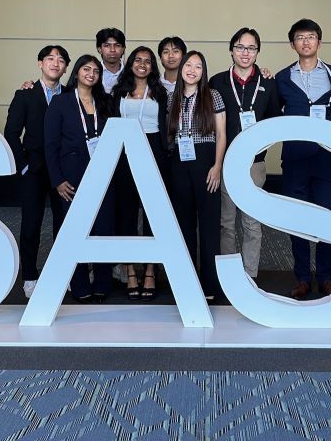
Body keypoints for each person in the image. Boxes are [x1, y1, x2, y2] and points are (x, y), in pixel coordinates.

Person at [275, 19, 331, 300]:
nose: (305, 42)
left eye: (311, 37)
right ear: (292, 44)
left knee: (328, 217)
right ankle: (303, 278)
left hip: (327, 158)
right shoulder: (280, 78)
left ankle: (327, 276)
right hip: (294, 158)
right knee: (298, 220)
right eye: (300, 38)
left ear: (319, 41)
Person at [44, 54, 118, 303]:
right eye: (86, 69)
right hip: (71, 178)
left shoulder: (106, 102)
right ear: (76, 73)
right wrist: (57, 180)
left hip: (103, 174)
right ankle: (79, 284)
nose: (91, 74)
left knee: (103, 230)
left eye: (96, 71)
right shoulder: (61, 103)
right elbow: (50, 145)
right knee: (74, 230)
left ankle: (102, 283)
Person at [209, 28, 280, 279]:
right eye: (240, 47)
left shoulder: (269, 82)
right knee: (226, 222)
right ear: (231, 50)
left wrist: (260, 151)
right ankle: (229, 275)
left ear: (257, 52)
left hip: (254, 165)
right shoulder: (216, 82)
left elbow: (273, 122)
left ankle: (250, 274)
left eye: (251, 48)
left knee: (251, 223)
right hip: (226, 162)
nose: (245, 53)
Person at [4, 45, 69, 299]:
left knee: (64, 224)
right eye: (50, 59)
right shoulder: (25, 94)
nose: (55, 63)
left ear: (65, 67)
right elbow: (11, 133)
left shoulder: (71, 94)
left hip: (63, 171)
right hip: (35, 170)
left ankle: (64, 274)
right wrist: (24, 165)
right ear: (40, 63)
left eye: (61, 60)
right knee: (31, 224)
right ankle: (30, 276)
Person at [111, 46, 170, 300]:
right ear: (131, 64)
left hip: (153, 153)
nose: (142, 64)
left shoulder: (160, 93)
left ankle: (149, 271)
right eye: (138, 60)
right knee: (126, 214)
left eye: (148, 61)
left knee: (151, 215)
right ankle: (130, 271)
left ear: (152, 66)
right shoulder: (118, 92)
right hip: (124, 155)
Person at [168, 51, 226, 302]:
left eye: (198, 66)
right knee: (184, 225)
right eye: (188, 65)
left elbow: (222, 135)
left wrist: (217, 166)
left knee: (210, 226)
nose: (192, 70)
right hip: (179, 163)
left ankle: (211, 284)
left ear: (204, 72)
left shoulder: (212, 96)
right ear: (181, 69)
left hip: (206, 162)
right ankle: (187, 282)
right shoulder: (172, 97)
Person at [96, 28, 126, 94]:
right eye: (107, 45)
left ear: (123, 49)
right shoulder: (93, 72)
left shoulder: (130, 72)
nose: (112, 50)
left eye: (117, 45)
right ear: (99, 49)